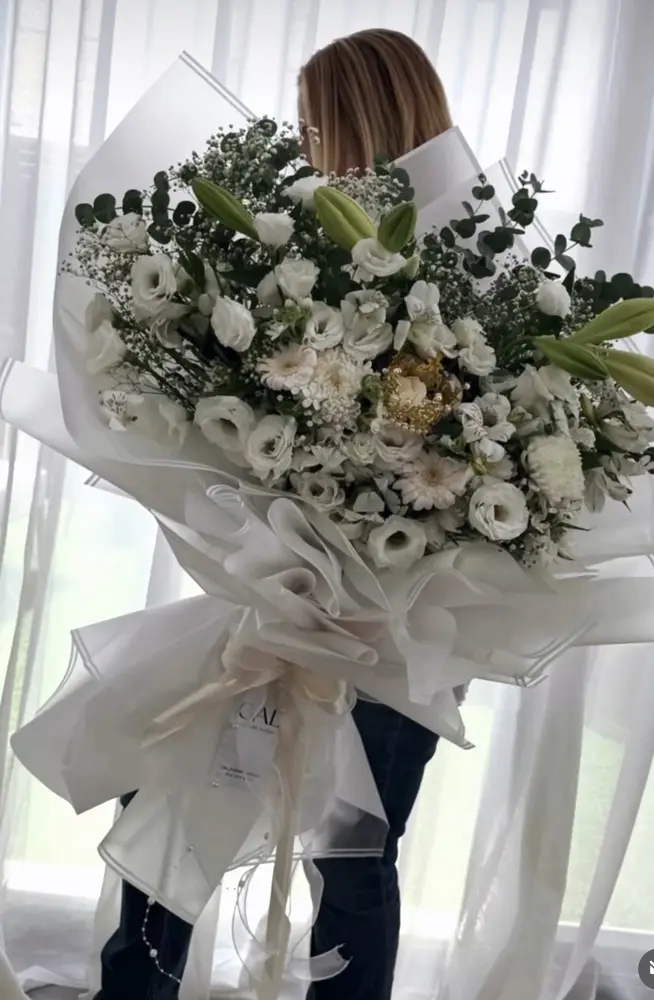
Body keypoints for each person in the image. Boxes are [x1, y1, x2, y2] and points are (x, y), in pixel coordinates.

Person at [96, 28, 453, 1000]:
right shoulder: (287, 246)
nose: (302, 143)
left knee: (352, 851)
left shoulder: (449, 265)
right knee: (172, 796)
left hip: (389, 622)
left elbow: (439, 444)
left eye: (315, 123)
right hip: (273, 595)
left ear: (366, 122)